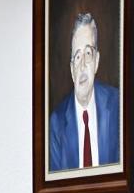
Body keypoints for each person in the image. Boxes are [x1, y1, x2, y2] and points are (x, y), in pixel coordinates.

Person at [48, 13, 120, 172]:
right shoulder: (56, 123)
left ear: (96, 61)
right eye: (77, 56)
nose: (82, 66)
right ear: (71, 70)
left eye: (88, 53)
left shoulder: (118, 105)